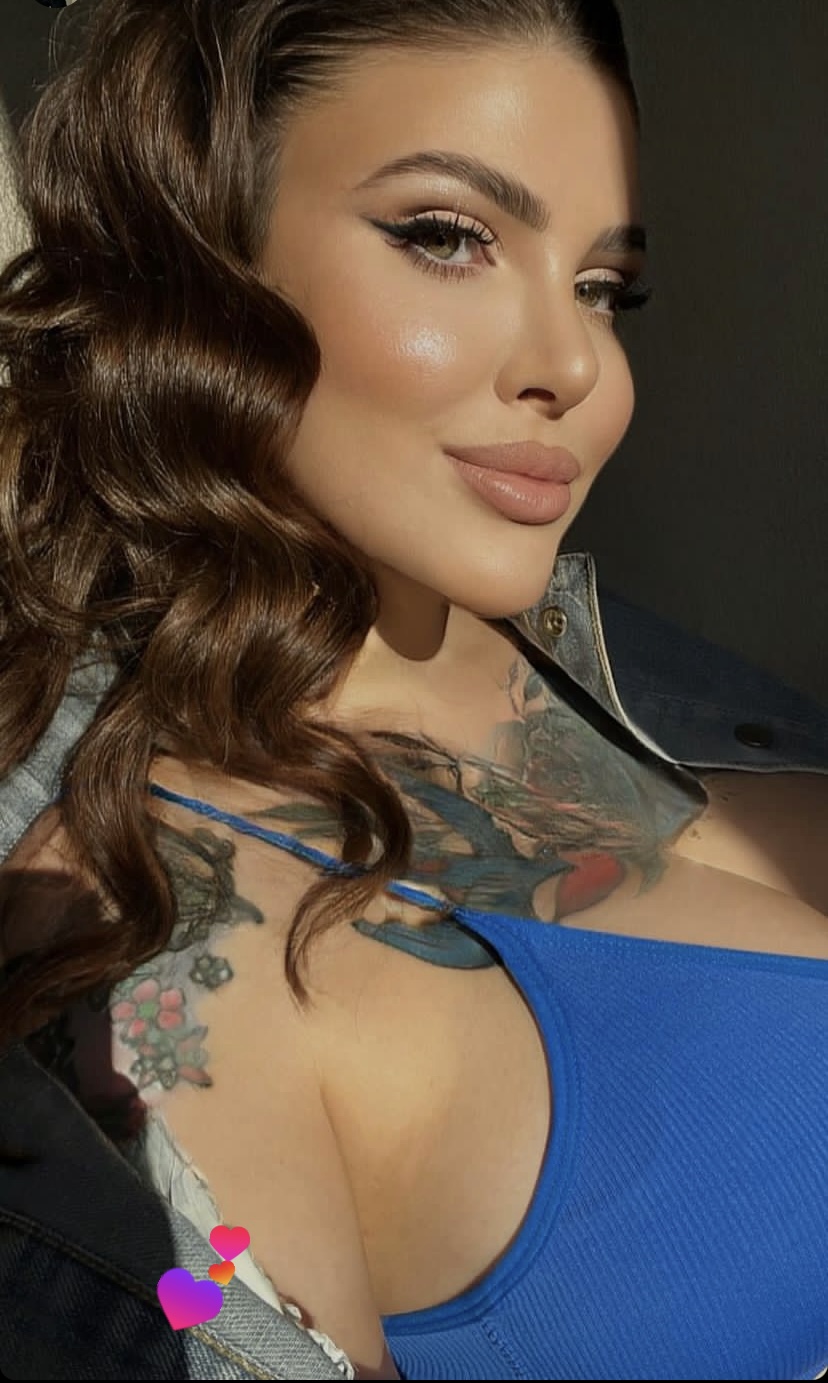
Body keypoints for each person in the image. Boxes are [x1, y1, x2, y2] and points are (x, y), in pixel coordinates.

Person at [0, 1, 827, 1378]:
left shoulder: (636, 674)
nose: (575, 365)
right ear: (199, 255)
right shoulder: (153, 947)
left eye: (602, 285)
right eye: (447, 236)